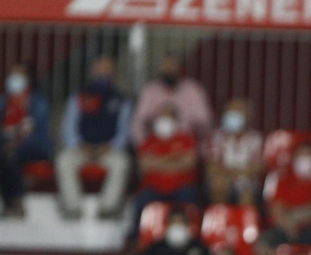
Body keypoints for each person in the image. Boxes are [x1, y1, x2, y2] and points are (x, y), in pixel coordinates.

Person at [56, 56, 133, 220]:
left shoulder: (122, 100)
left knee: (122, 163)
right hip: (82, 149)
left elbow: (125, 131)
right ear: (93, 72)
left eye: (107, 69)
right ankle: (73, 207)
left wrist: (111, 146)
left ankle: (107, 208)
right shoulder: (79, 97)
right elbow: (68, 128)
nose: (103, 73)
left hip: (108, 150)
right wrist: (78, 144)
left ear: (113, 73)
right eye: (100, 69)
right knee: (63, 160)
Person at [131, 106, 201, 232]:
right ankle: (135, 238)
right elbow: (143, 165)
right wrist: (174, 159)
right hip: (154, 189)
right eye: (161, 118)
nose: (164, 121)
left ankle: (193, 235)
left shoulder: (186, 140)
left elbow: (189, 163)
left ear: (176, 121)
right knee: (141, 200)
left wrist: (156, 162)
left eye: (168, 118)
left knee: (190, 197)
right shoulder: (148, 141)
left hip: (181, 188)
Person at [1, 64, 53, 217]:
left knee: (11, 153)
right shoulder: (4, 101)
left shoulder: (38, 101)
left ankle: (16, 201)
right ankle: (12, 201)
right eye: (12, 75)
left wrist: (11, 134)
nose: (14, 80)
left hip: (35, 145)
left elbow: (30, 128)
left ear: (27, 79)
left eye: (19, 76)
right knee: (5, 154)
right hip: (6, 146)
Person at [132, 55, 213, 143]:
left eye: (172, 66)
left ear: (179, 68)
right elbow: (138, 123)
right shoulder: (150, 90)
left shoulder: (193, 89)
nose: (169, 70)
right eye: (165, 66)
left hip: (187, 146)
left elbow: (204, 121)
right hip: (154, 146)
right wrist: (145, 145)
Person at [204, 98, 265, 205]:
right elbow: (210, 166)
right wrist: (233, 173)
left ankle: (244, 221)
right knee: (219, 185)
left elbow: (259, 167)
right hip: (222, 178)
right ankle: (220, 219)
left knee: (247, 194)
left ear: (247, 116)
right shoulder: (215, 137)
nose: (232, 115)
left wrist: (238, 173)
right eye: (229, 112)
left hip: (246, 181)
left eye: (236, 112)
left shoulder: (256, 138)